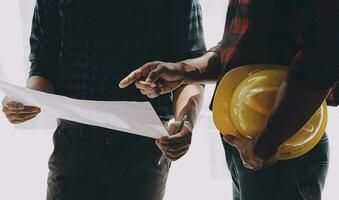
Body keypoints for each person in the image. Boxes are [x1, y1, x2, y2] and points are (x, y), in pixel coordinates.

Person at [119, 0, 339, 199]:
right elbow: (236, 52)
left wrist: (269, 141)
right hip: (253, 146)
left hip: (280, 151)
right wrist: (182, 70)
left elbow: (325, 53)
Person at [1, 0, 206, 199]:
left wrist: (185, 122)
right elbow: (43, 66)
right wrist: (25, 100)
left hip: (143, 150)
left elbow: (191, 71)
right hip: (73, 148)